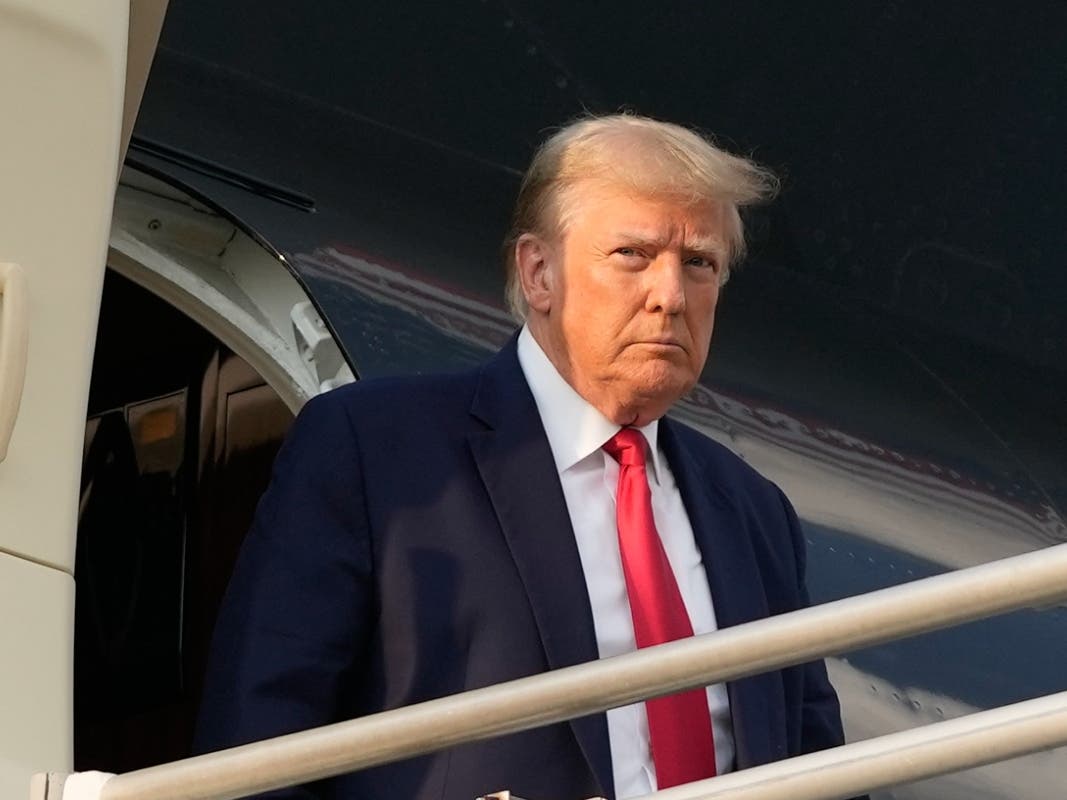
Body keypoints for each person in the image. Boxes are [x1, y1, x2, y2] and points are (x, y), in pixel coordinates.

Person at [195, 113, 850, 800]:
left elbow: (818, 766)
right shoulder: (374, 447)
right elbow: (254, 745)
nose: (670, 296)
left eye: (699, 264)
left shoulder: (750, 509)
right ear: (538, 272)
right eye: (632, 254)